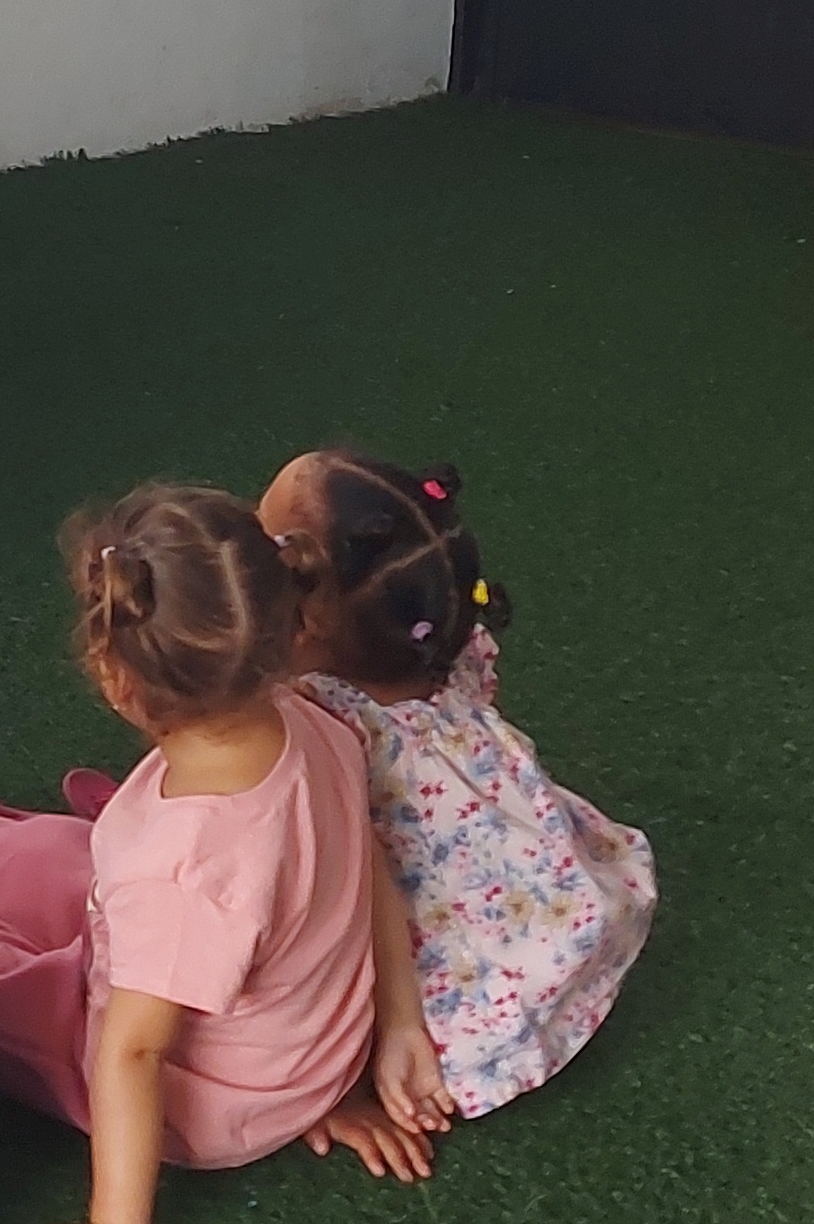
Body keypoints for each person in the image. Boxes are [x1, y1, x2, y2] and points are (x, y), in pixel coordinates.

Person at [0, 486, 449, 1224]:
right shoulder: (308, 716)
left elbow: (133, 1054)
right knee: (44, 857)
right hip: (293, 1047)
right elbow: (369, 864)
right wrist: (398, 1025)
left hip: (212, 1092)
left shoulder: (184, 870)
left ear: (113, 679)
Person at [270, 450, 657, 1124]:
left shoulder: (316, 717)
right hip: (546, 912)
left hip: (440, 965)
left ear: (305, 627)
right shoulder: (441, 649)